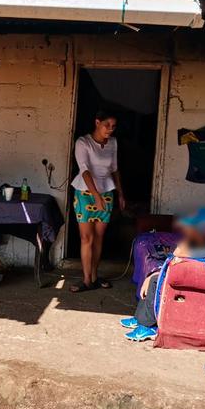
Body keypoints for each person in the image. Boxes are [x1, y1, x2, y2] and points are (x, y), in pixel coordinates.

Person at [120, 207, 205, 341]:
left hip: (204, 277)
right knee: (154, 276)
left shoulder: (204, 243)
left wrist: (153, 275)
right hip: (196, 272)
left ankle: (148, 326)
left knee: (156, 280)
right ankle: (139, 318)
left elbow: (177, 254)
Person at [69, 110, 126, 292]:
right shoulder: (83, 142)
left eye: (113, 126)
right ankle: (86, 280)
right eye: (106, 125)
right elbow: (84, 170)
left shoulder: (113, 143)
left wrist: (121, 194)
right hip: (86, 193)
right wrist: (96, 196)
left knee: (99, 237)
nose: (110, 129)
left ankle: (94, 275)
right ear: (97, 122)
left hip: (107, 191)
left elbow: (115, 169)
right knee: (87, 237)